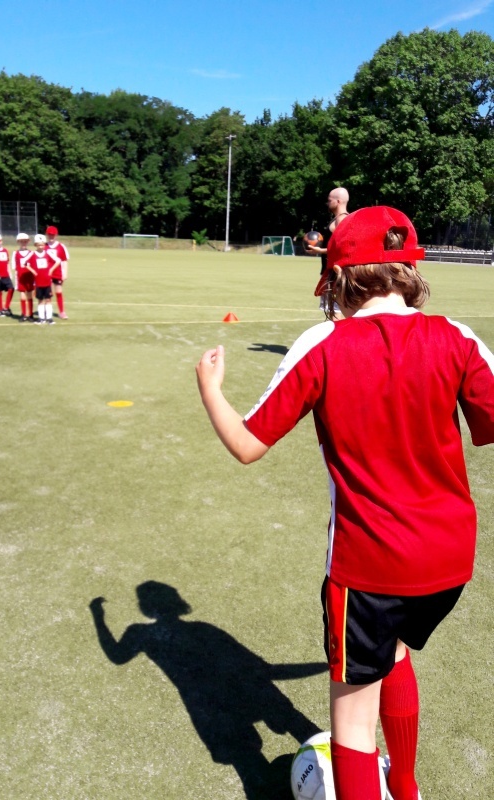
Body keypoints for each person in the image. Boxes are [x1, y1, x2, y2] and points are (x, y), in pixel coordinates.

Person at [196, 205, 494, 800]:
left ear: (338, 279)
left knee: (353, 721)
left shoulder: (325, 342)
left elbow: (248, 445)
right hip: (449, 561)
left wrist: (210, 390)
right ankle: (405, 788)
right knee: (398, 655)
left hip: (370, 566)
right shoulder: (458, 336)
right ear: (410, 268)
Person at [306, 187, 350, 315]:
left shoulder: (341, 219)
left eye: (329, 200)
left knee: (335, 312)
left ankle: (339, 335)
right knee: (331, 311)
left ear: (338, 201)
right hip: (330, 271)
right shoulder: (338, 218)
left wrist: (320, 250)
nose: (327, 203)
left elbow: (343, 247)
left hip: (335, 273)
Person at [22, 234, 61, 325]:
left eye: (42, 244)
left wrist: (51, 269)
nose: (41, 247)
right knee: (40, 300)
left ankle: (49, 318)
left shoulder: (48, 253)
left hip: (47, 280)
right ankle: (41, 318)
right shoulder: (32, 254)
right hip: (38, 281)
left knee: (48, 299)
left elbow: (58, 261)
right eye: (39, 245)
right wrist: (32, 271)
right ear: (35, 245)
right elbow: (23, 262)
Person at [45, 225, 69, 319]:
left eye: (53, 235)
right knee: (49, 293)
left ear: (56, 235)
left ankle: (61, 312)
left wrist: (65, 273)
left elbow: (64, 260)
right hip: (47, 273)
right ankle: (48, 312)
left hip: (58, 273)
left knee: (59, 292)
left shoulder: (61, 247)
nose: (51, 237)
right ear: (47, 235)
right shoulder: (44, 246)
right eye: (49, 235)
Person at [13, 233, 35, 322]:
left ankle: (30, 314)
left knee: (30, 295)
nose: (23, 243)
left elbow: (34, 265)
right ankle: (24, 314)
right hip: (21, 277)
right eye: (21, 242)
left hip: (29, 276)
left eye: (25, 241)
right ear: (18, 242)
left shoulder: (31, 253)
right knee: (22, 296)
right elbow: (15, 267)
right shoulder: (16, 253)